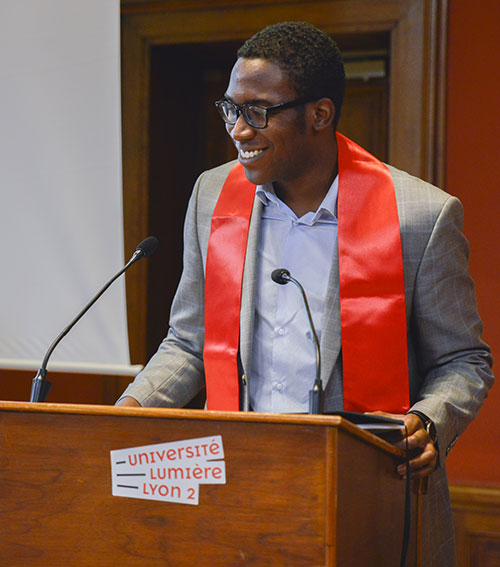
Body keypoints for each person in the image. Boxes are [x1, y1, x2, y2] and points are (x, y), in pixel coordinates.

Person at [117, 22, 494, 566]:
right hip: (236, 488)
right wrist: (130, 412)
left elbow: (465, 360)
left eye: (258, 111)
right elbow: (189, 341)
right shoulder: (211, 196)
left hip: (370, 495)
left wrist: (429, 419)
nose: (239, 130)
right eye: (230, 110)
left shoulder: (421, 217)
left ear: (319, 114)